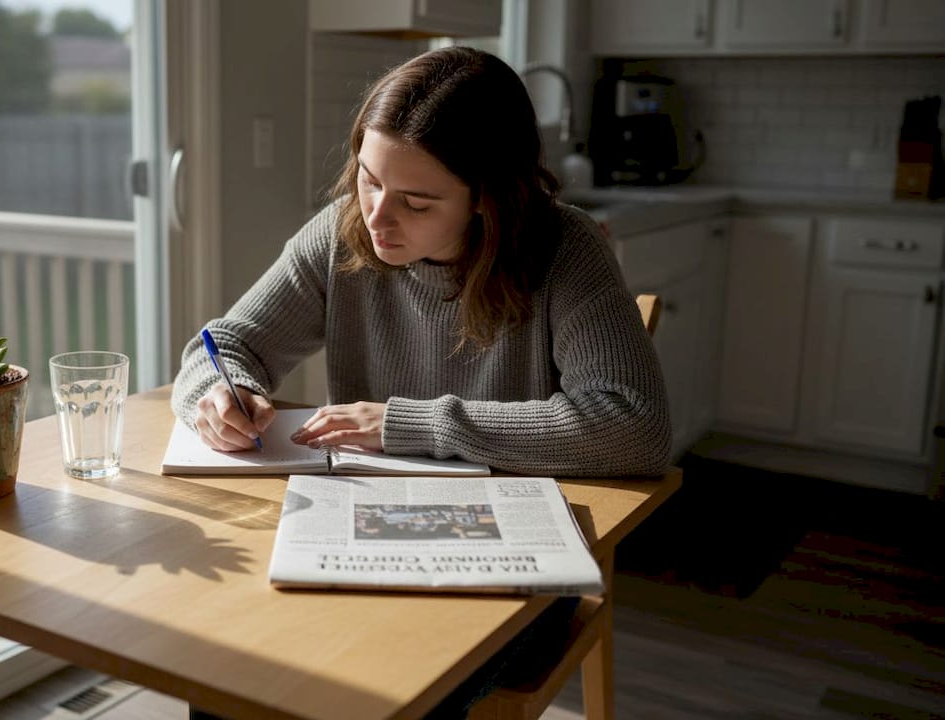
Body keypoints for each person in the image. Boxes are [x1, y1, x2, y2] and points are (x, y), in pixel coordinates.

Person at [173, 46, 670, 718]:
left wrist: (412, 424)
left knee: (391, 696)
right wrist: (218, 391)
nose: (377, 216)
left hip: (507, 564)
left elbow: (633, 424)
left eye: (415, 201)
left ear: (488, 200)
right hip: (357, 540)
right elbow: (225, 343)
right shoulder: (340, 235)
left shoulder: (564, 251)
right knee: (234, 673)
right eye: (369, 180)